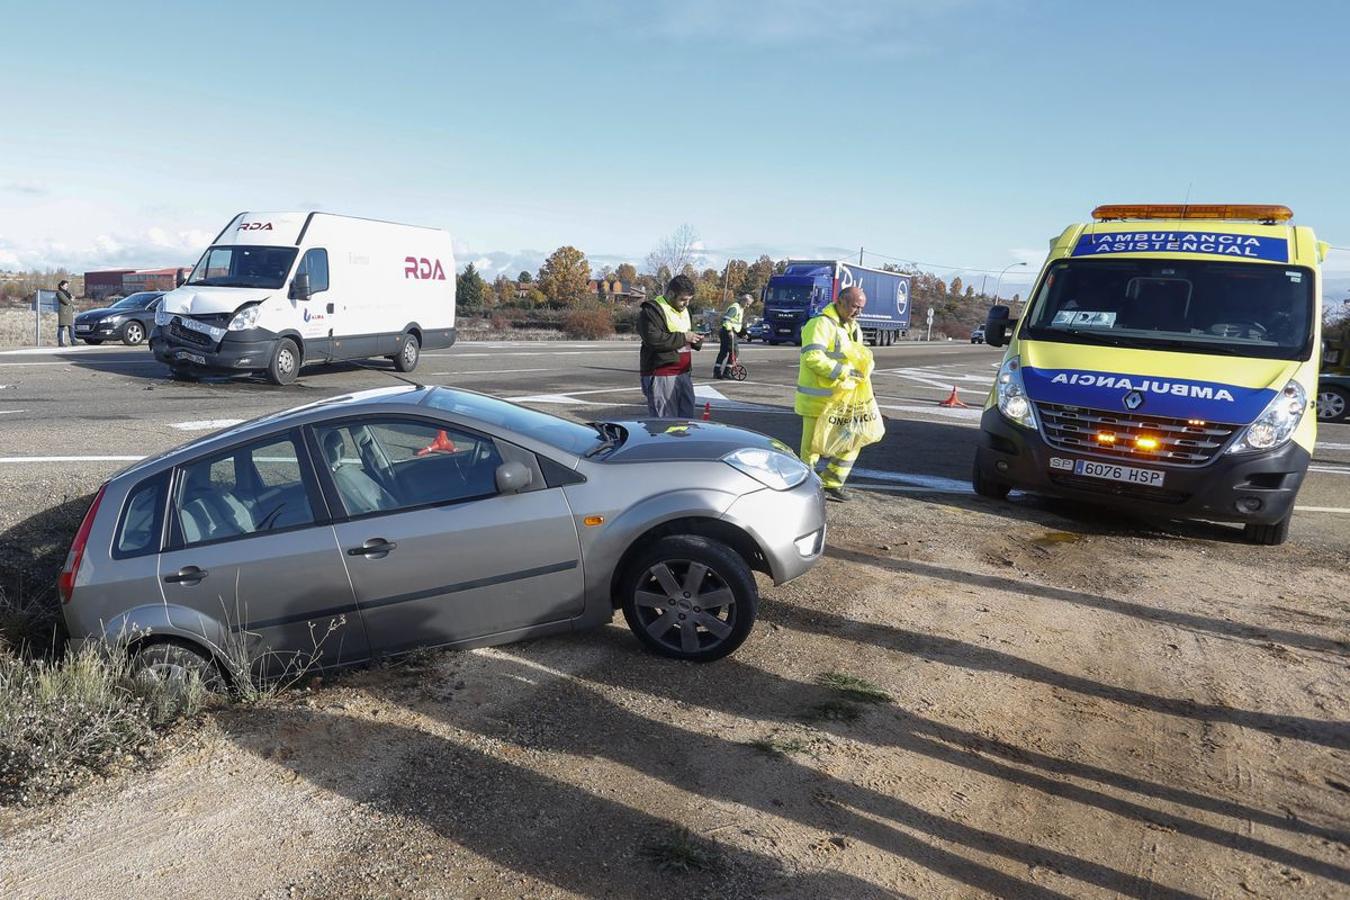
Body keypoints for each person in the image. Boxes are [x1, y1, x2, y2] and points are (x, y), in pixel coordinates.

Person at [794, 285, 874, 502]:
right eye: (855, 307)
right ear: (840, 302)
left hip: (843, 399)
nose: (859, 312)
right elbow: (812, 358)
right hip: (817, 400)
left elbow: (856, 357)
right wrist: (845, 372)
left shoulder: (853, 327)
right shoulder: (820, 323)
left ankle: (832, 482)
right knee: (811, 449)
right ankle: (805, 488)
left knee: (853, 440)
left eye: (861, 308)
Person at [639, 274, 702, 418]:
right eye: (683, 300)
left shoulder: (685, 311)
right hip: (662, 374)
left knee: (685, 422)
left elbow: (684, 334)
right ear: (671, 294)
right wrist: (684, 337)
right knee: (664, 425)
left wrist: (696, 339)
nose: (686, 304)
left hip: (683, 373)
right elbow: (654, 339)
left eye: (689, 301)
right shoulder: (651, 310)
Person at [55, 279, 76, 347]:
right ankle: (60, 342)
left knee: (71, 327)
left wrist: (71, 300)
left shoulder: (67, 293)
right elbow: (66, 301)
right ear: (61, 286)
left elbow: (69, 301)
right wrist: (71, 300)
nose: (67, 287)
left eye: (67, 286)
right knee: (61, 327)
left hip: (69, 312)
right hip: (64, 313)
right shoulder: (59, 293)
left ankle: (73, 341)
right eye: (66, 285)